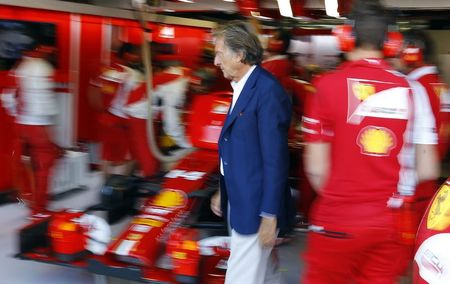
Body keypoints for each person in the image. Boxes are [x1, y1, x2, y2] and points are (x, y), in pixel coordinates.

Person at [300, 0, 440, 283]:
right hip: (391, 223)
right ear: (392, 42)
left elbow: (315, 169)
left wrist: (348, 200)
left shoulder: (325, 86)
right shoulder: (414, 90)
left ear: (344, 36)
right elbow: (428, 170)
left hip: (338, 219)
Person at [209, 21, 292, 284]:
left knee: (240, 277)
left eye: (220, 53)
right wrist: (223, 188)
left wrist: (269, 215)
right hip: (240, 196)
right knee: (264, 275)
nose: (215, 60)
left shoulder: (267, 91)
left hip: (255, 208)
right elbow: (239, 147)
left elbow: (275, 158)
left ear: (240, 54)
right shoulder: (242, 86)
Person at [392, 29, 450, 219]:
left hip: (409, 186)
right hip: (428, 182)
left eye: (399, 51)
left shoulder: (413, 87)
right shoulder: (440, 85)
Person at [1, 42, 61, 215]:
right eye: (49, 48)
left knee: (20, 161)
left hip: (21, 124)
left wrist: (17, 114)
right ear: (39, 49)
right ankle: (39, 208)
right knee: (44, 164)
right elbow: (45, 102)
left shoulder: (18, 67)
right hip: (38, 125)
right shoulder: (44, 67)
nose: (51, 51)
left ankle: (22, 196)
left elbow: (7, 96)